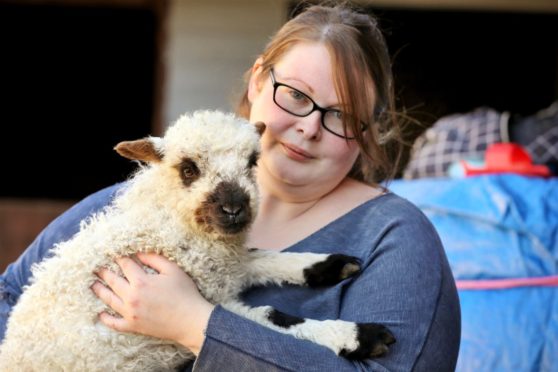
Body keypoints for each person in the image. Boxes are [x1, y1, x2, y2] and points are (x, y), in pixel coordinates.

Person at [0, 3, 461, 371]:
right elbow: (11, 294)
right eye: (296, 96)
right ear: (259, 79)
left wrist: (195, 323)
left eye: (341, 115)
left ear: (369, 129)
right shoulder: (145, 201)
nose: (308, 128)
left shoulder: (394, 238)